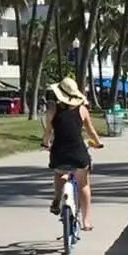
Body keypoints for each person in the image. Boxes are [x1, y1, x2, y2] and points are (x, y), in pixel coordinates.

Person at [41, 77, 104, 231]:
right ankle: (86, 221)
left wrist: (45, 144)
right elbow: (91, 131)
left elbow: (48, 132)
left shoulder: (52, 110)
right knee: (84, 184)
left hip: (59, 153)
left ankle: (58, 196)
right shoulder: (82, 110)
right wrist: (98, 143)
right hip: (78, 153)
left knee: (60, 173)